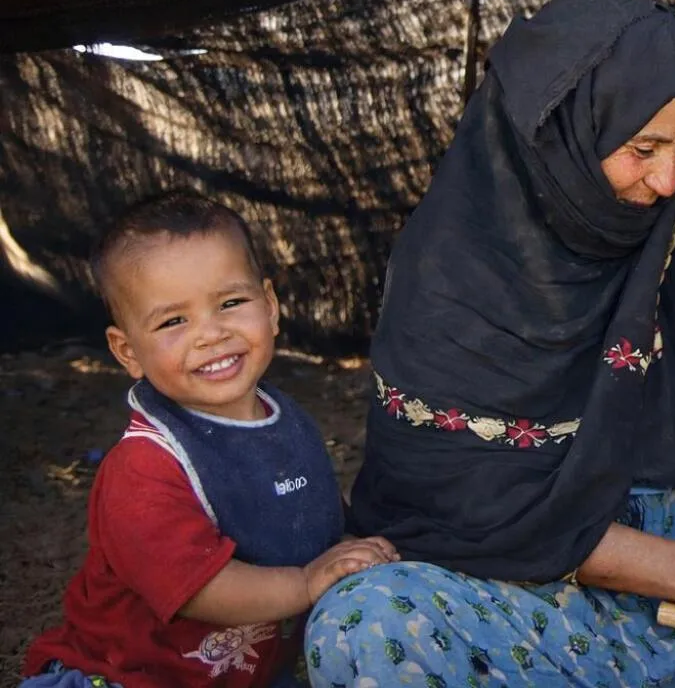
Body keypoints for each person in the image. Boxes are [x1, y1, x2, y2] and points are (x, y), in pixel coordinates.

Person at [305, 0, 675, 687]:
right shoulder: (449, 273)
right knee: (363, 623)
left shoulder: (657, 256)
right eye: (644, 148)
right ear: (561, 133)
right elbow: (459, 497)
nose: (667, 182)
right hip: (525, 603)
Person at [22, 191, 395, 688]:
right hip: (128, 675)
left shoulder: (289, 423)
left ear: (271, 305)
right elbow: (200, 589)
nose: (211, 333)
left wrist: (349, 551)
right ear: (127, 350)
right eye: (174, 321)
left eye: (231, 303)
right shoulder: (145, 467)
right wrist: (308, 582)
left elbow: (316, 522)